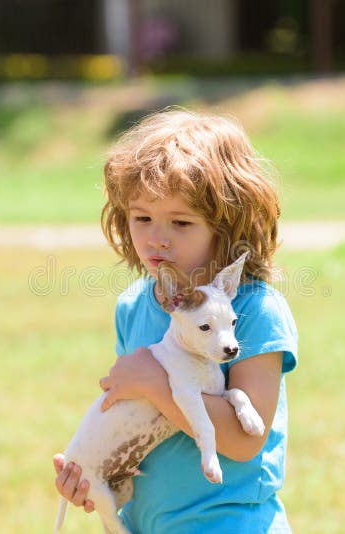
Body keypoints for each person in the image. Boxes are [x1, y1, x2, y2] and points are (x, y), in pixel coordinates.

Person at [53, 109, 298, 532]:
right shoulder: (133, 305)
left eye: (180, 222)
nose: (156, 238)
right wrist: (94, 472)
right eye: (142, 218)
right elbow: (136, 422)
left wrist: (155, 381)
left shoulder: (256, 312)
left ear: (227, 226)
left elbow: (245, 441)